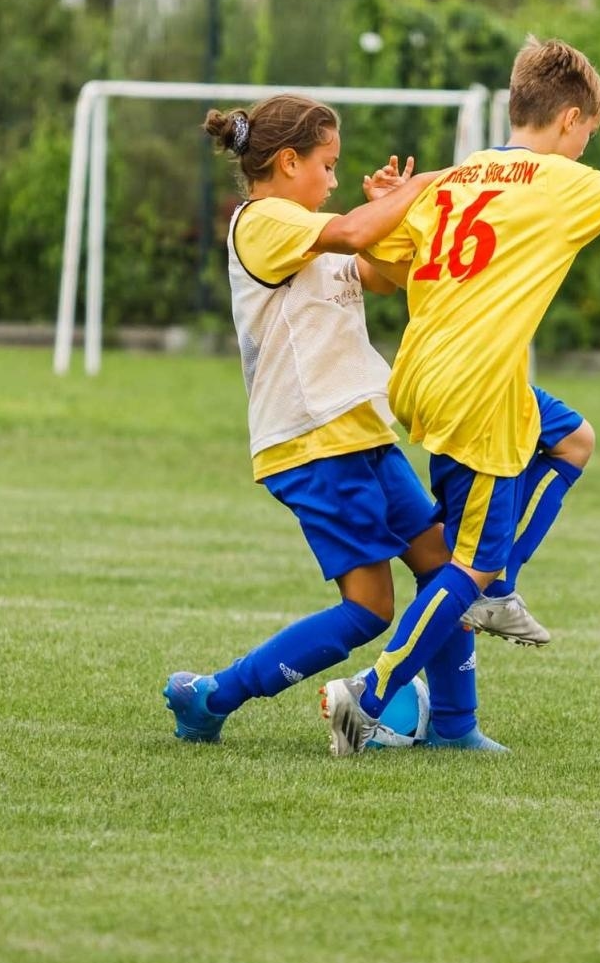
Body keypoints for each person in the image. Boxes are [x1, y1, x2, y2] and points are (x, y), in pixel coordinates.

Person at [320, 38, 600, 755]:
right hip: (476, 388)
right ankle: (368, 694)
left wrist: (387, 209)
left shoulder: (459, 176)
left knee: (572, 438)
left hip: (427, 375)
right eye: (589, 135)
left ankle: (497, 590)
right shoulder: (557, 180)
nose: (585, 148)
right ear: (569, 119)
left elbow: (381, 276)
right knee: (461, 566)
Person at [162, 94, 514, 752]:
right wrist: (424, 186)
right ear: (288, 161)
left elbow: (383, 273)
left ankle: (455, 727)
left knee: (447, 569)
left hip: (363, 432)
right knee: (369, 609)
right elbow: (351, 232)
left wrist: (391, 215)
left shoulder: (312, 227)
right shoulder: (262, 221)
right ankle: (214, 696)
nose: (333, 178)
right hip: (312, 442)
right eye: (327, 165)